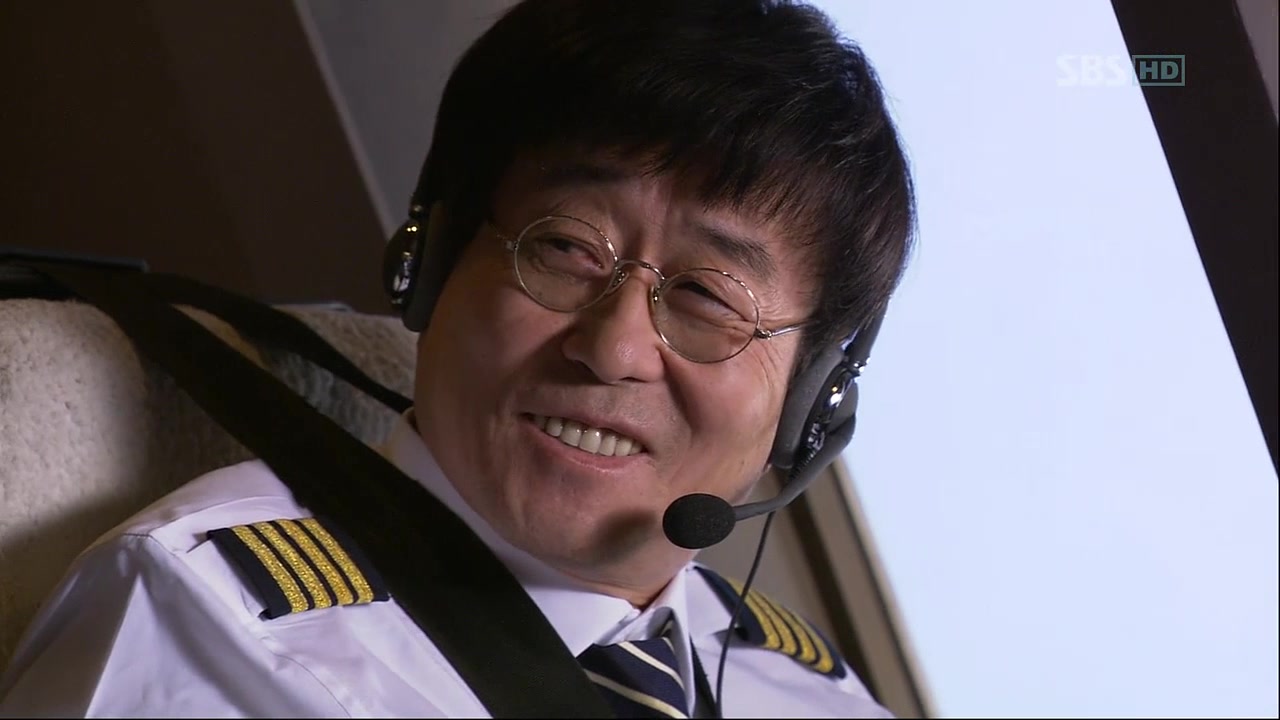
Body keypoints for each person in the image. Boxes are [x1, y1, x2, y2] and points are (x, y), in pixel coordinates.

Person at [0, 0, 916, 716]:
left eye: (709, 298)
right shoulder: (211, 626)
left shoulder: (808, 690)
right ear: (434, 262)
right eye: (566, 248)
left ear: (813, 401)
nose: (614, 347)